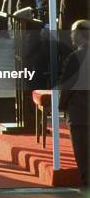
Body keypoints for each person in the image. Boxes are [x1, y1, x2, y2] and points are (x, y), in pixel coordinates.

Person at [59, 20, 89, 187]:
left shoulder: (75, 57)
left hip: (80, 113)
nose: (70, 35)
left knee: (83, 156)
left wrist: (61, 106)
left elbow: (67, 87)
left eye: (72, 32)